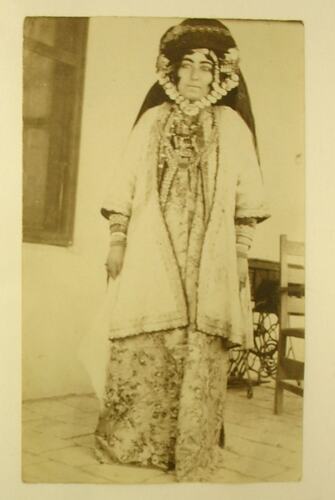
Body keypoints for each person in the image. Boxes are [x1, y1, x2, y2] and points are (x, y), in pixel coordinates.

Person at [84, 18, 270, 482]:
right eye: (184, 65)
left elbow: (247, 200)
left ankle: (188, 448)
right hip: (153, 249)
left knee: (198, 344)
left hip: (209, 259)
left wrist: (241, 256)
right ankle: (134, 445)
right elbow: (125, 184)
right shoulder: (151, 121)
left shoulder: (231, 126)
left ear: (219, 76)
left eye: (204, 68)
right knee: (147, 337)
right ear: (170, 70)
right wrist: (118, 241)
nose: (192, 76)